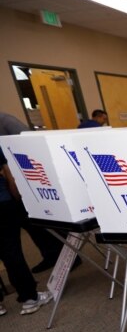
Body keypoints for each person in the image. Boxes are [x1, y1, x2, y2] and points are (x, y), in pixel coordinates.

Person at [0, 112, 67, 273]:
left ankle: (65, 255)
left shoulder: (6, 120)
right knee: (31, 222)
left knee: (40, 219)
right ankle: (52, 254)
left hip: (22, 175)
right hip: (11, 179)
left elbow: (29, 144)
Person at [0, 149, 53, 316]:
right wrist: (17, 199)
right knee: (11, 252)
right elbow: (7, 173)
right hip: (2, 204)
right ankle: (30, 298)